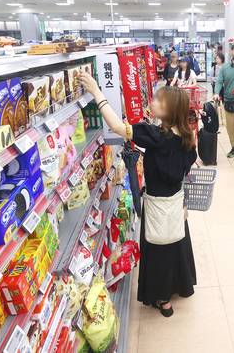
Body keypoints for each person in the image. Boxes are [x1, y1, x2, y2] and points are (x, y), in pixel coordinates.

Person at [79, 72, 197, 318]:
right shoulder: (186, 137)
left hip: (156, 204)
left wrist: (96, 92)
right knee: (175, 243)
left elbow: (116, 126)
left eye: (158, 101)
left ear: (169, 111)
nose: (152, 103)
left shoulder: (155, 136)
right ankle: (179, 285)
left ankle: (162, 298)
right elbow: (187, 167)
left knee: (158, 249)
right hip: (175, 203)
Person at [211, 52, 226, 125]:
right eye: (216, 58)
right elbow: (211, 78)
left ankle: (224, 119)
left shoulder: (225, 67)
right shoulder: (213, 68)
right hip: (216, 87)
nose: (217, 59)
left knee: (224, 102)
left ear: (222, 59)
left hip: (224, 87)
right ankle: (217, 118)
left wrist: (220, 80)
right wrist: (219, 80)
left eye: (218, 58)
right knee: (216, 102)